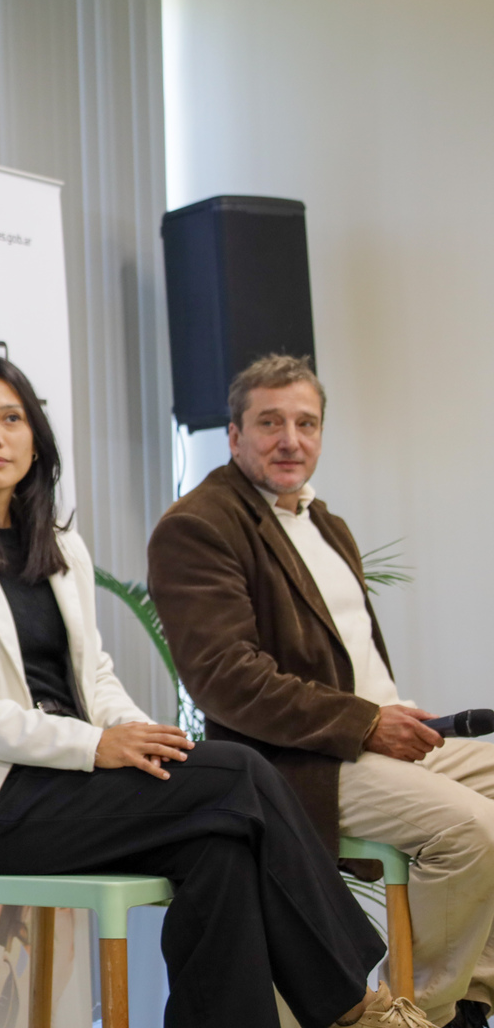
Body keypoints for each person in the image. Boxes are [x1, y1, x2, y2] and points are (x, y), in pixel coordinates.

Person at [0, 356, 424, 1028]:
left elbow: (95, 675)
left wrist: (145, 742)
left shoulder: (59, 546)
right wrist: (96, 745)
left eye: (11, 419)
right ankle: (354, 1007)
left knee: (219, 852)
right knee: (241, 774)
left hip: (79, 790)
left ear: (34, 439)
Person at [149, 353, 494, 1028]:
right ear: (234, 435)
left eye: (306, 423)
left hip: (372, 736)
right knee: (471, 831)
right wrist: (364, 723)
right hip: (296, 764)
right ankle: (418, 1014)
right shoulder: (199, 525)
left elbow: (348, 660)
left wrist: (385, 713)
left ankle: (475, 998)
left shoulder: (326, 524)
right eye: (270, 421)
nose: (290, 439)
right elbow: (225, 678)